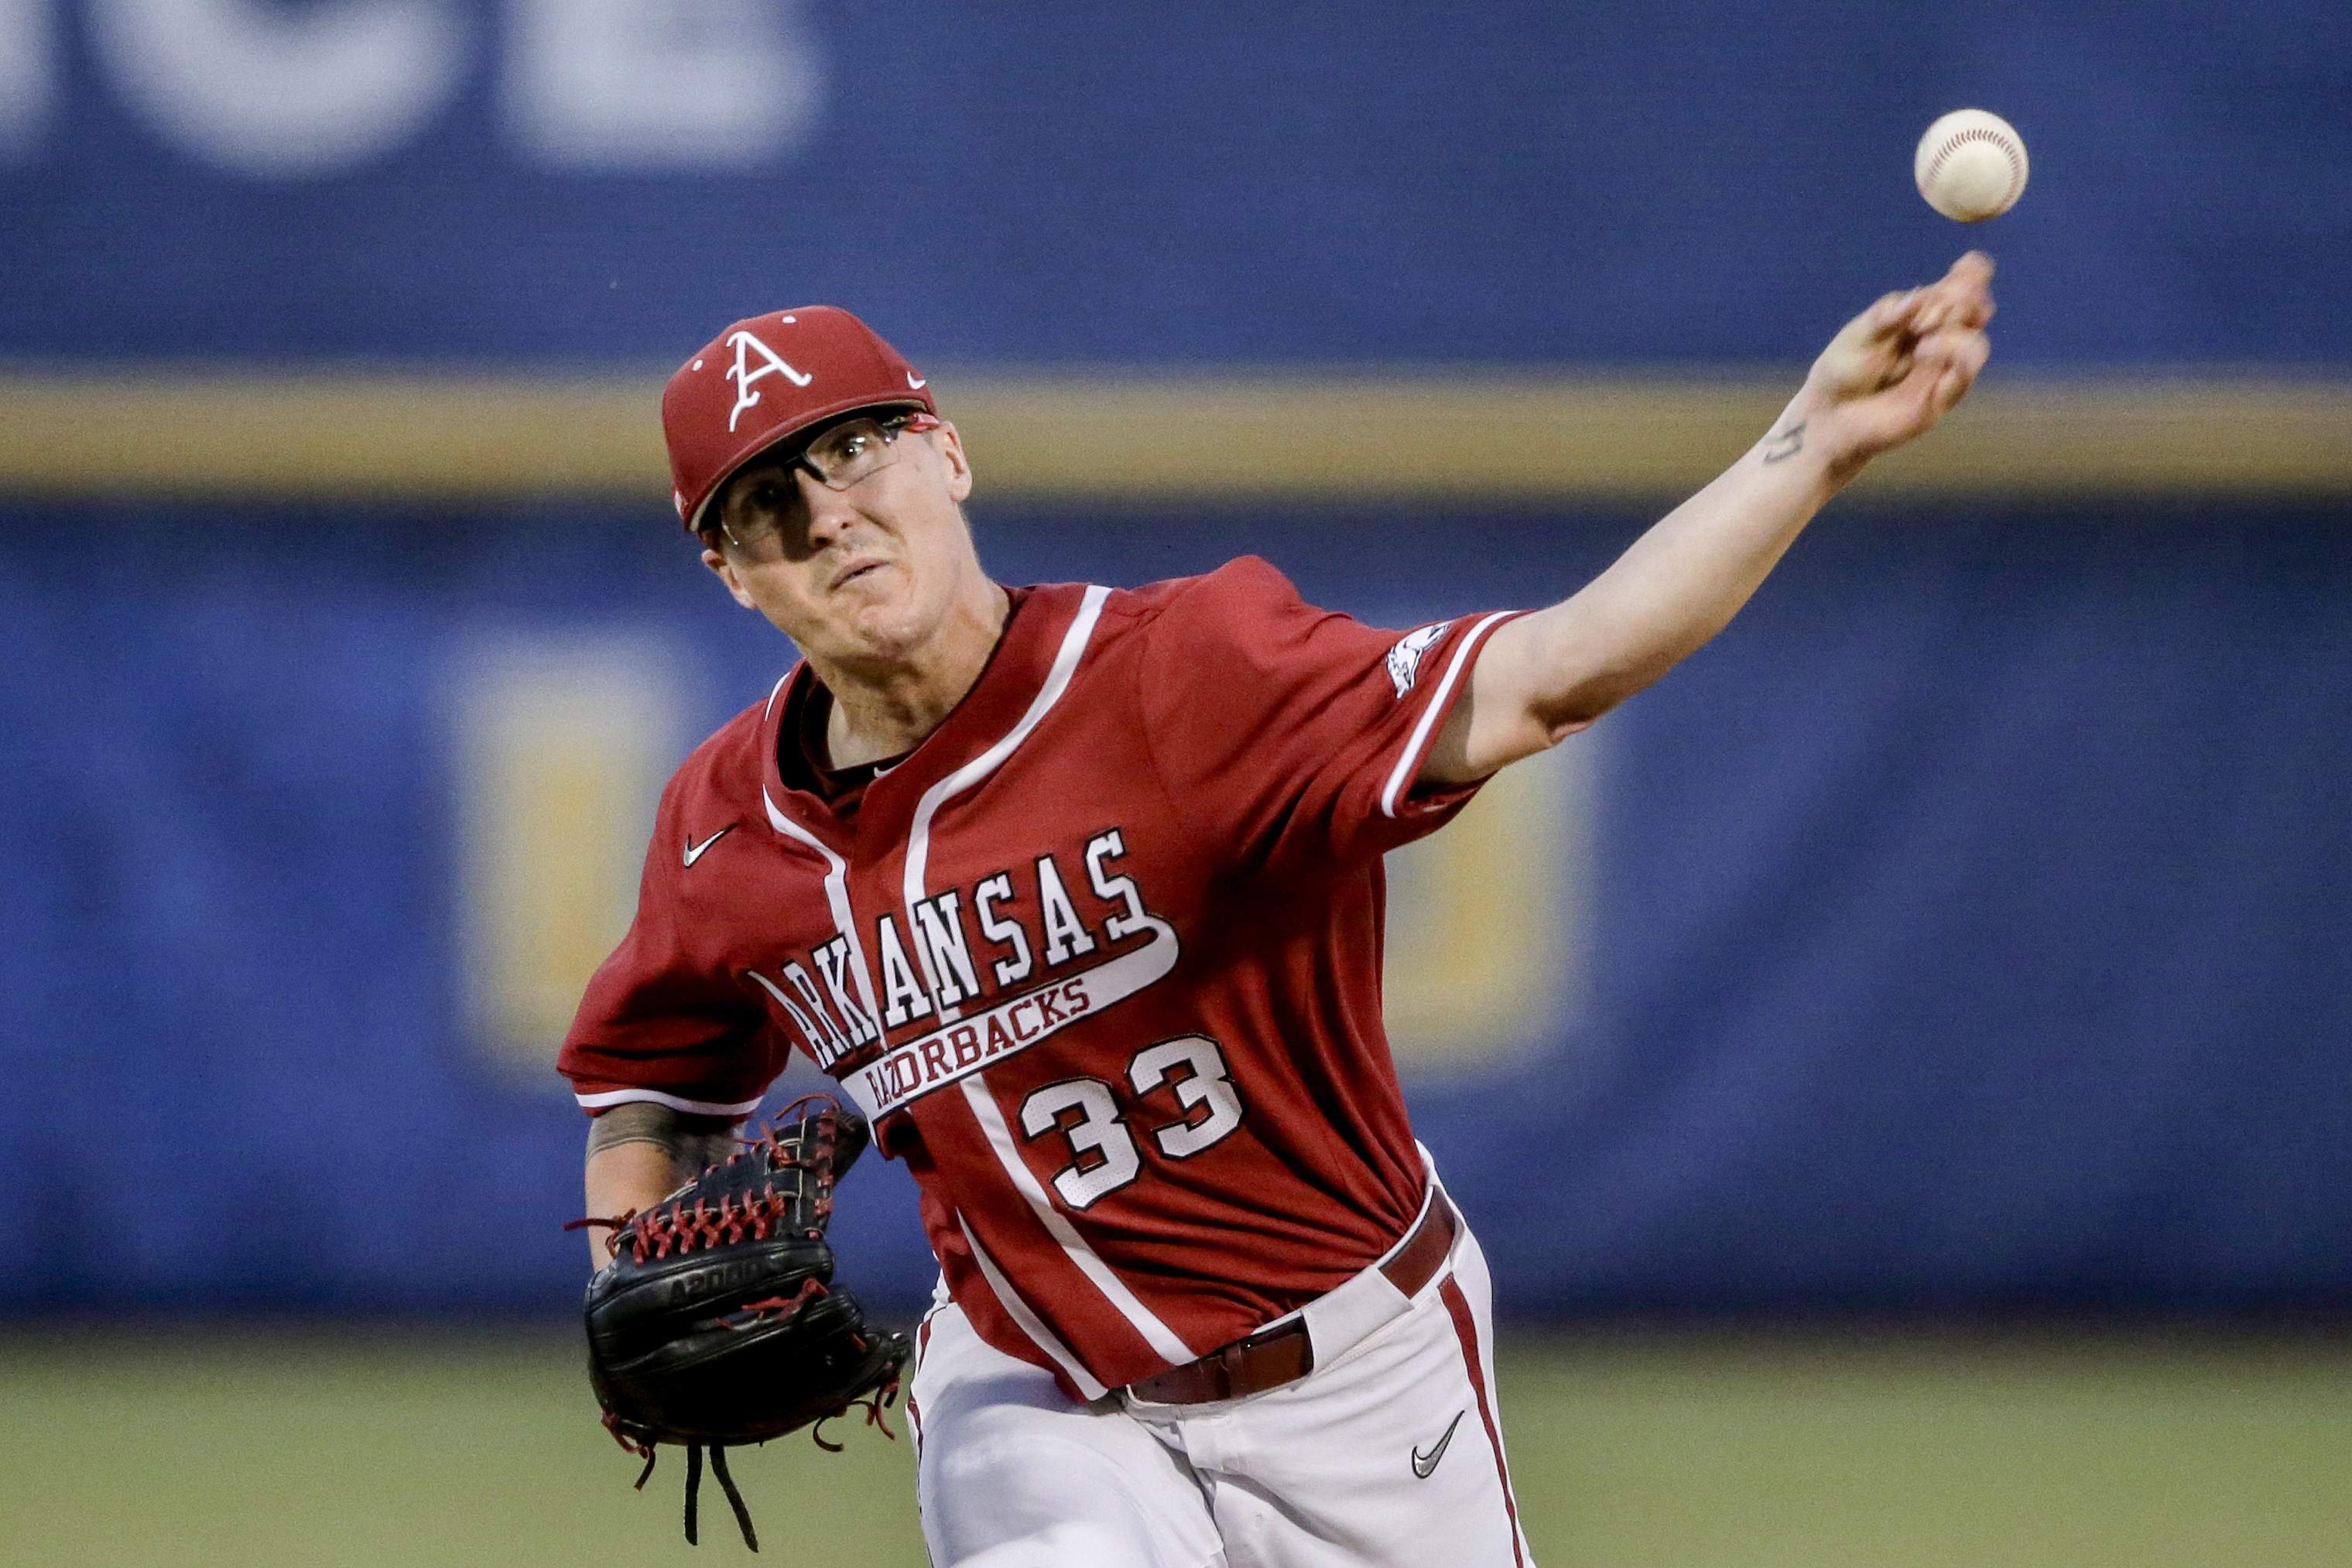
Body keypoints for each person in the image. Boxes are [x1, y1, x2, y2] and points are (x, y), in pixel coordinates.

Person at [558, 255, 1997, 1567]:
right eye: (766, 503)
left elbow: (1562, 667)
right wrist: (631, 1265)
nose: (829, 514)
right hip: (1035, 1397)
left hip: (1363, 1370)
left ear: (947, 453)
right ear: (731, 571)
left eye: (856, 448)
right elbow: (649, 1079)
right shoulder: (724, 827)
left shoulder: (1189, 671)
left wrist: (1810, 439)